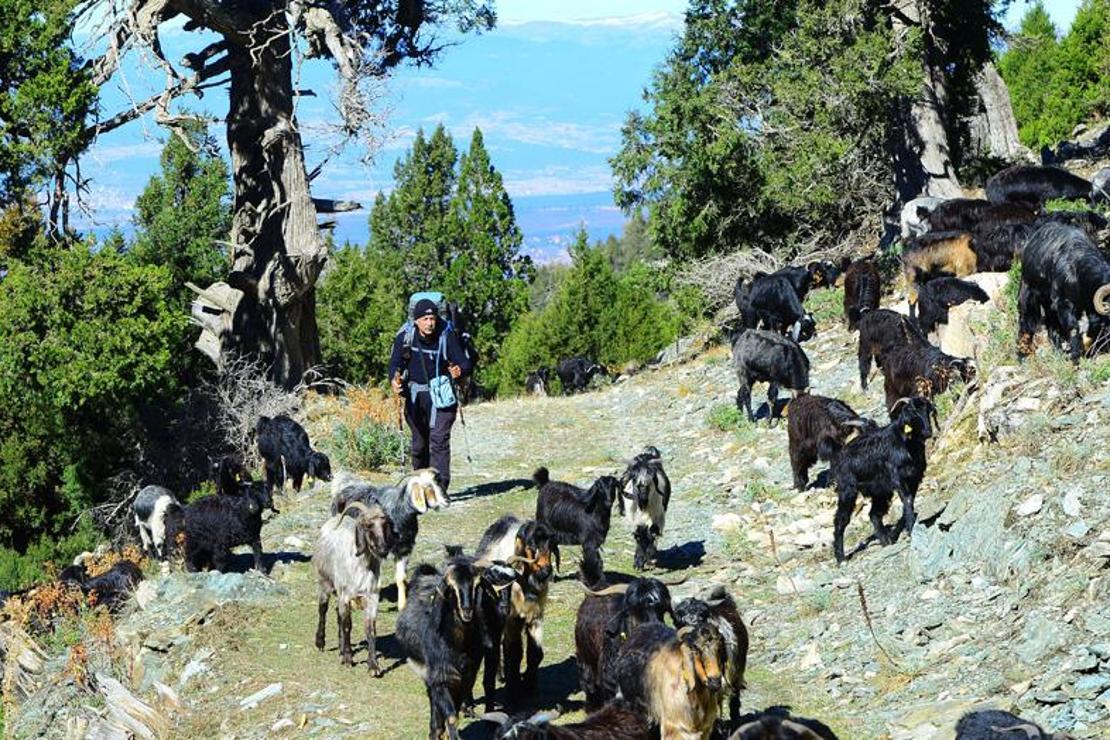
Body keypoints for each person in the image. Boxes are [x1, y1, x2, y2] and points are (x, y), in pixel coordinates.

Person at [388, 298, 473, 493]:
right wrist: (394, 380)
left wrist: (459, 370)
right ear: (416, 321)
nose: (430, 323)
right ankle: (421, 486)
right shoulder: (406, 337)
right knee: (419, 445)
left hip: (443, 398)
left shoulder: (446, 335)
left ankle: (440, 489)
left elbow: (466, 363)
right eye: (425, 319)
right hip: (415, 399)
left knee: (438, 441)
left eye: (432, 318)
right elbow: (394, 364)